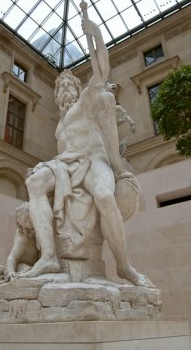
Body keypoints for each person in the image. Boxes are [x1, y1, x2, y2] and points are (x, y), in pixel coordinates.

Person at [24, 18, 154, 287]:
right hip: (66, 165)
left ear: (77, 89)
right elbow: (61, 157)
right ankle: (48, 255)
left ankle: (124, 266)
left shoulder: (85, 102)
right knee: (35, 182)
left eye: (68, 86)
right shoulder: (59, 126)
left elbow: (102, 69)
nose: (64, 92)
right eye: (60, 89)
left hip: (94, 161)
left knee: (105, 197)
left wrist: (94, 33)